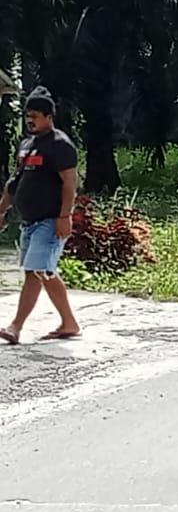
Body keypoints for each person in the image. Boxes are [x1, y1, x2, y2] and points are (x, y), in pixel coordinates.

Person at [0, 88, 81, 343]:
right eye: (27, 116)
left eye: (34, 116)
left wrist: (64, 216)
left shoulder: (60, 145)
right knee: (37, 271)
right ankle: (69, 323)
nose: (30, 120)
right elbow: (15, 182)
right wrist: (2, 210)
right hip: (29, 223)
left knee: (39, 270)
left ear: (49, 116)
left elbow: (69, 183)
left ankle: (16, 327)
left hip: (50, 220)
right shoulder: (26, 145)